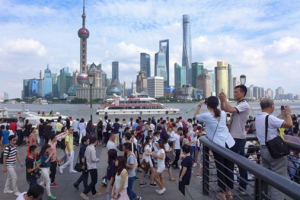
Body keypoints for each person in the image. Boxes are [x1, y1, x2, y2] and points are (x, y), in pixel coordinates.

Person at [195, 96, 235, 200]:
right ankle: (229, 192)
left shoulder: (207, 115)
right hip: (229, 143)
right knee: (229, 168)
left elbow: (195, 116)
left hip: (219, 145)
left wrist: (199, 104)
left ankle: (222, 193)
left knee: (220, 169)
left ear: (207, 105)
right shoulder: (223, 113)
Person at [255, 98, 293, 200]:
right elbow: (289, 124)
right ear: (272, 106)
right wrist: (288, 114)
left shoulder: (258, 117)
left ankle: (264, 196)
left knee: (267, 176)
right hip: (274, 152)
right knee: (279, 179)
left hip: (263, 149)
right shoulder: (270, 118)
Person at [219, 85, 250, 192]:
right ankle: (242, 186)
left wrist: (225, 100)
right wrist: (222, 101)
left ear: (243, 93)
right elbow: (224, 108)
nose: (235, 94)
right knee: (242, 164)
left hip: (237, 139)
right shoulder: (239, 104)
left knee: (230, 163)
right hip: (236, 138)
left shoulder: (244, 105)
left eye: (237, 92)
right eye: (234, 92)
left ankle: (229, 187)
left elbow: (230, 109)